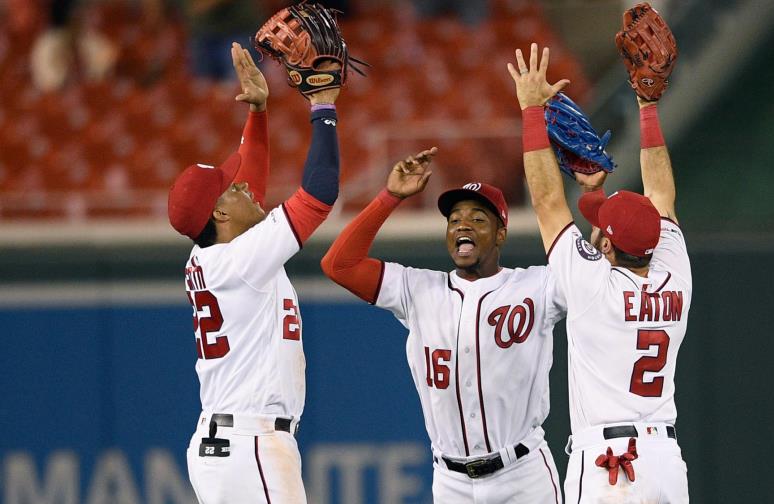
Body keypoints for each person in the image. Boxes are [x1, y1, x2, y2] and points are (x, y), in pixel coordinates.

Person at [320, 153, 565, 502]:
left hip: (522, 475)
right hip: (452, 482)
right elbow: (338, 264)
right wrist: (389, 197)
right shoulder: (417, 289)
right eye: (454, 220)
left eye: (478, 219)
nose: (462, 225)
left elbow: (596, 283)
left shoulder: (538, 286)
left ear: (501, 235)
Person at [508, 42, 691, 502]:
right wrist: (648, 107)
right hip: (665, 461)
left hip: (612, 465)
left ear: (607, 243)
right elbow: (661, 196)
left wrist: (532, 111)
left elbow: (549, 203)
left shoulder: (591, 287)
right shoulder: (675, 270)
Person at [167, 42, 342, 504]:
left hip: (229, 443)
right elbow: (319, 194)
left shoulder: (216, 254)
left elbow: (253, 180)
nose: (243, 183)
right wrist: (323, 107)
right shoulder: (241, 260)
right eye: (231, 188)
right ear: (221, 214)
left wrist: (259, 114)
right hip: (250, 443)